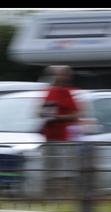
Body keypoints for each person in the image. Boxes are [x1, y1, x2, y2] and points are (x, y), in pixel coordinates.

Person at [39, 65, 80, 197]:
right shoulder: (50, 91)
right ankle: (51, 196)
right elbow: (42, 112)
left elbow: (75, 114)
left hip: (64, 138)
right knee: (50, 169)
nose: (61, 77)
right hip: (50, 137)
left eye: (64, 74)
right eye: (59, 74)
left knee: (63, 170)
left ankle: (63, 196)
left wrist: (59, 117)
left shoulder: (68, 93)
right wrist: (46, 114)